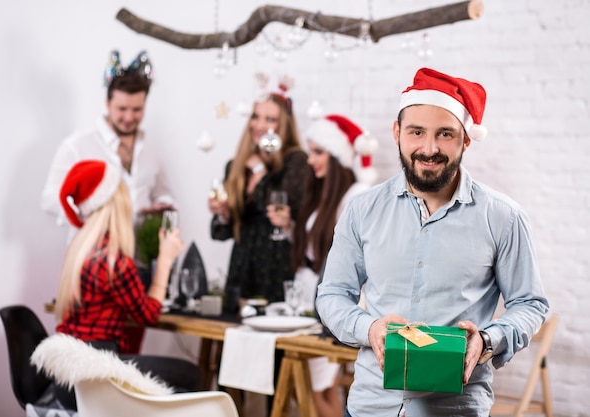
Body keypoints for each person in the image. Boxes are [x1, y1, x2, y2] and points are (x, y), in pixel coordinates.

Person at [315, 67, 549, 417]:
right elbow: (332, 294)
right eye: (416, 132)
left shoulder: (504, 217)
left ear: (466, 139)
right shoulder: (362, 210)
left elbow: (530, 304)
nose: (429, 148)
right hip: (370, 406)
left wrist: (487, 340)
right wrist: (370, 328)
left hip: (455, 408)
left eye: (445, 134)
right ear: (397, 133)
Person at [41, 50, 174, 353]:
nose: (129, 116)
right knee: (92, 340)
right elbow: (50, 198)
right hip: (95, 260)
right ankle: (97, 398)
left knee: (125, 347)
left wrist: (161, 208)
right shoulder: (79, 145)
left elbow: (164, 193)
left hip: (136, 262)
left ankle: (114, 396)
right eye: (122, 108)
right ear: (107, 103)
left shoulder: (151, 150)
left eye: (137, 109)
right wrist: (96, 219)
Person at [53, 159, 198, 410]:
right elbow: (148, 315)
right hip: (92, 377)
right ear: (115, 204)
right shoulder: (113, 261)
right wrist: (164, 260)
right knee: (192, 376)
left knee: (181, 381)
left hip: (66, 375)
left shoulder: (80, 249)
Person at [268, 114, 374, 417]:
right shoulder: (320, 193)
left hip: (329, 305)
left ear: (337, 156)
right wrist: (290, 228)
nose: (310, 159)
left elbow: (350, 255)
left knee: (317, 386)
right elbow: (317, 250)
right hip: (309, 300)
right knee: (320, 385)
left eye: (318, 152)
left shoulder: (354, 196)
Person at [208, 90, 308, 306]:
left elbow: (276, 208)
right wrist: (223, 214)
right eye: (255, 116)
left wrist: (260, 169)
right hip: (241, 267)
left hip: (275, 266)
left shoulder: (296, 161)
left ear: (283, 125)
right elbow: (222, 232)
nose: (260, 125)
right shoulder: (235, 166)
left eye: (270, 119)